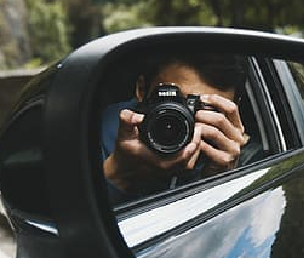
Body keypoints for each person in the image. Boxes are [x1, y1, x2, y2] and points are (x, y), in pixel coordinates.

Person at [101, 54, 254, 205]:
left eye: (206, 109)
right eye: (173, 102)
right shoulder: (95, 131)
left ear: (233, 110)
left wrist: (220, 181)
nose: (182, 119)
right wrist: (117, 171)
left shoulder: (237, 157)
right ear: (141, 90)